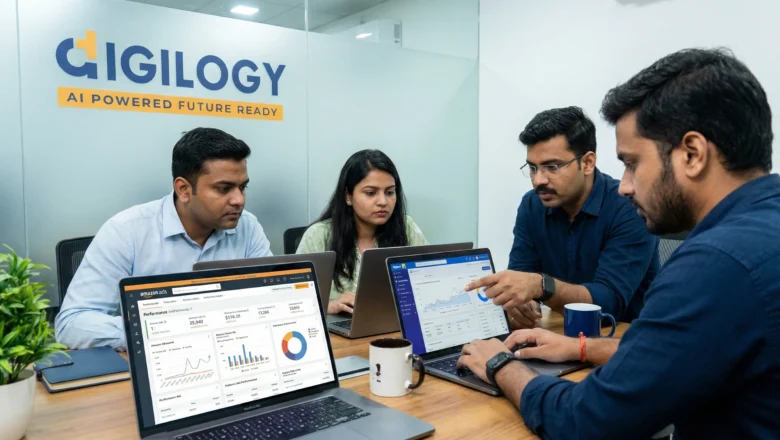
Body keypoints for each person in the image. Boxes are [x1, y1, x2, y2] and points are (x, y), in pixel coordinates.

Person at [457, 48, 780, 439]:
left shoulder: (715, 265)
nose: (625, 185)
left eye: (632, 163)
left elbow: (585, 422)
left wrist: (500, 365)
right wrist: (580, 348)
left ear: (692, 154)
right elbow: (677, 355)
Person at [55, 128, 272, 351]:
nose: (238, 200)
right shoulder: (126, 231)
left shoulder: (248, 226)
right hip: (155, 364)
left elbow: (273, 299)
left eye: (242, 187)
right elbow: (72, 324)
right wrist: (161, 331)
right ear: (184, 189)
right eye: (224, 189)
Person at [478, 107, 659, 329]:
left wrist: (541, 286)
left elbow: (609, 303)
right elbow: (522, 277)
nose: (538, 180)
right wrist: (520, 304)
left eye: (551, 167)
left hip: (623, 341)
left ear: (587, 163)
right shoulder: (532, 205)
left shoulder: (629, 206)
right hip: (559, 334)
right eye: (533, 168)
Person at [296, 149, 428, 314]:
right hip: (335, 334)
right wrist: (329, 306)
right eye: (371, 193)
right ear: (348, 196)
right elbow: (294, 303)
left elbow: (427, 283)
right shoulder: (318, 235)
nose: (383, 202)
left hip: (390, 328)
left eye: (390, 192)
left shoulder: (406, 227)